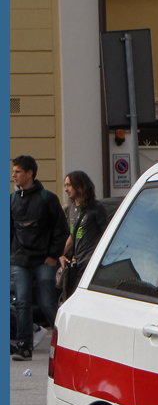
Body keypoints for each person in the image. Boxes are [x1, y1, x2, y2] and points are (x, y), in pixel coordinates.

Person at [11, 155, 68, 361]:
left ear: (30, 174)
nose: (13, 175)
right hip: (20, 261)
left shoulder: (47, 198)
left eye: (17, 171)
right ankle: (24, 346)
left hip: (44, 260)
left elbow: (61, 230)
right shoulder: (12, 200)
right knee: (22, 303)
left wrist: (53, 256)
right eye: (13, 171)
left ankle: (65, 342)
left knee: (47, 303)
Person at [58, 170, 108, 302]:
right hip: (77, 262)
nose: (66, 189)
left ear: (79, 185)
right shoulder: (71, 208)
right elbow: (72, 235)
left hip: (90, 262)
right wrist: (63, 254)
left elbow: (106, 234)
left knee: (80, 299)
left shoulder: (96, 208)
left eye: (69, 185)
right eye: (65, 185)